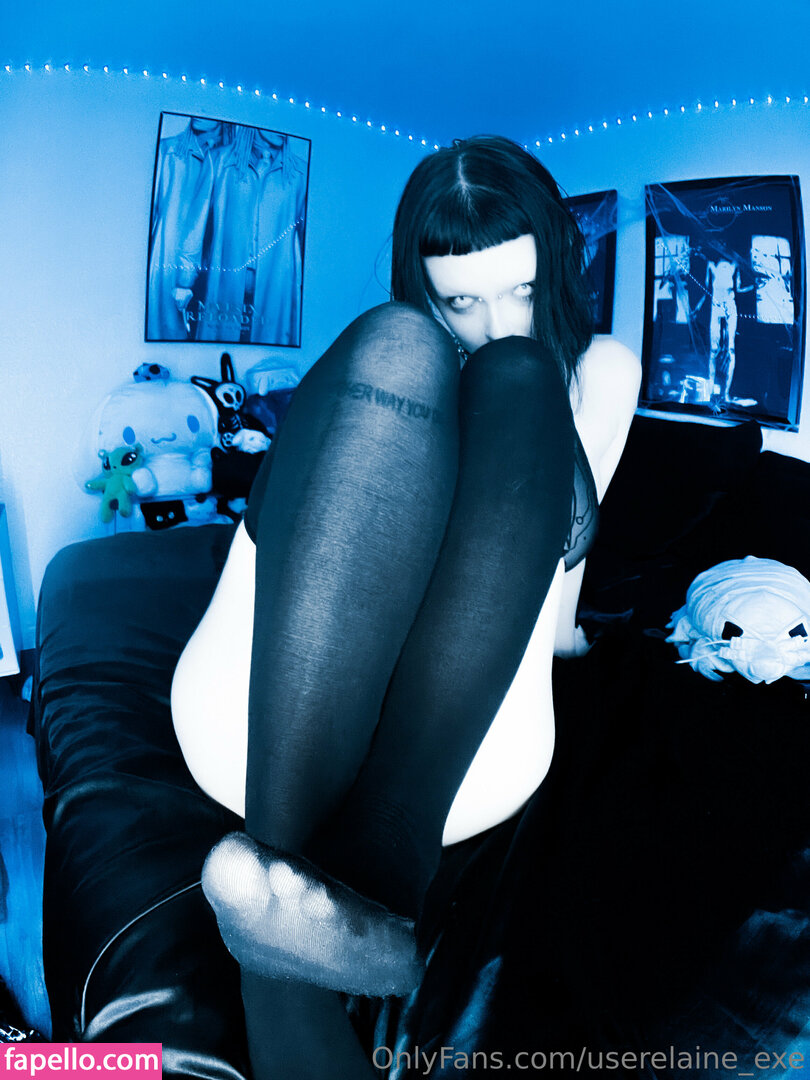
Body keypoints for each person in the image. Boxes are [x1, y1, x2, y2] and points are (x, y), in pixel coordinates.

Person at [171, 135, 641, 1078]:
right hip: (254, 720)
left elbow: (552, 625)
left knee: (520, 376)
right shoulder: (404, 348)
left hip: (455, 765)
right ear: (423, 281)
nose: (494, 322)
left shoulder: (601, 373)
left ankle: (348, 891)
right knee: (396, 343)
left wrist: (577, 636)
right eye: (460, 301)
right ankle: (315, 934)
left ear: (560, 260)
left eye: (521, 290)